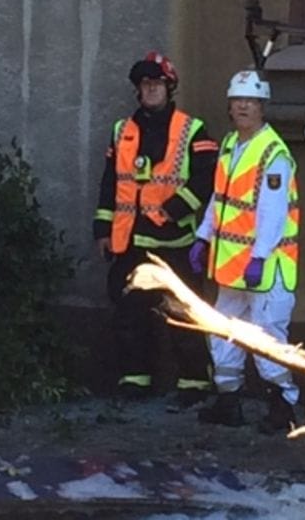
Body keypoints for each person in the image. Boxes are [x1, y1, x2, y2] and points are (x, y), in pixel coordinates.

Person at [92, 51, 218, 408]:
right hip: (130, 241)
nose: (150, 90)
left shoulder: (191, 130)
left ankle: (194, 382)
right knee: (130, 314)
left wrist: (174, 210)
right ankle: (135, 379)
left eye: (156, 84)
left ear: (169, 87)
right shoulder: (122, 131)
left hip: (175, 242)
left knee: (183, 313)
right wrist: (103, 230)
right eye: (145, 85)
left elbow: (206, 179)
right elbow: (109, 184)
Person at [190, 69, 301, 433]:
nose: (242, 107)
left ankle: (283, 406)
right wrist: (204, 236)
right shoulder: (229, 145)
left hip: (266, 269)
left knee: (267, 338)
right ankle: (229, 402)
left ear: (262, 107)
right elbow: (219, 201)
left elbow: (273, 212)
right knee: (221, 332)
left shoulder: (273, 153)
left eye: (250, 101)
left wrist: (259, 256)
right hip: (232, 267)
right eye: (237, 101)